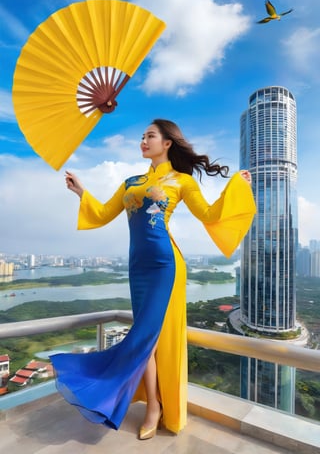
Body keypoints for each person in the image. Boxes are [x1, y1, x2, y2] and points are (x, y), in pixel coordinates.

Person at [50, 119, 256, 440]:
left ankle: (154, 409)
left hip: (165, 265)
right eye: (142, 137)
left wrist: (236, 186)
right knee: (145, 337)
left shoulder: (183, 181)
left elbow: (210, 214)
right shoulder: (131, 181)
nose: (143, 141)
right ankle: (152, 403)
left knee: (147, 338)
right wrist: (81, 192)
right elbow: (104, 213)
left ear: (167, 143)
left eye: (150, 136)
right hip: (138, 267)